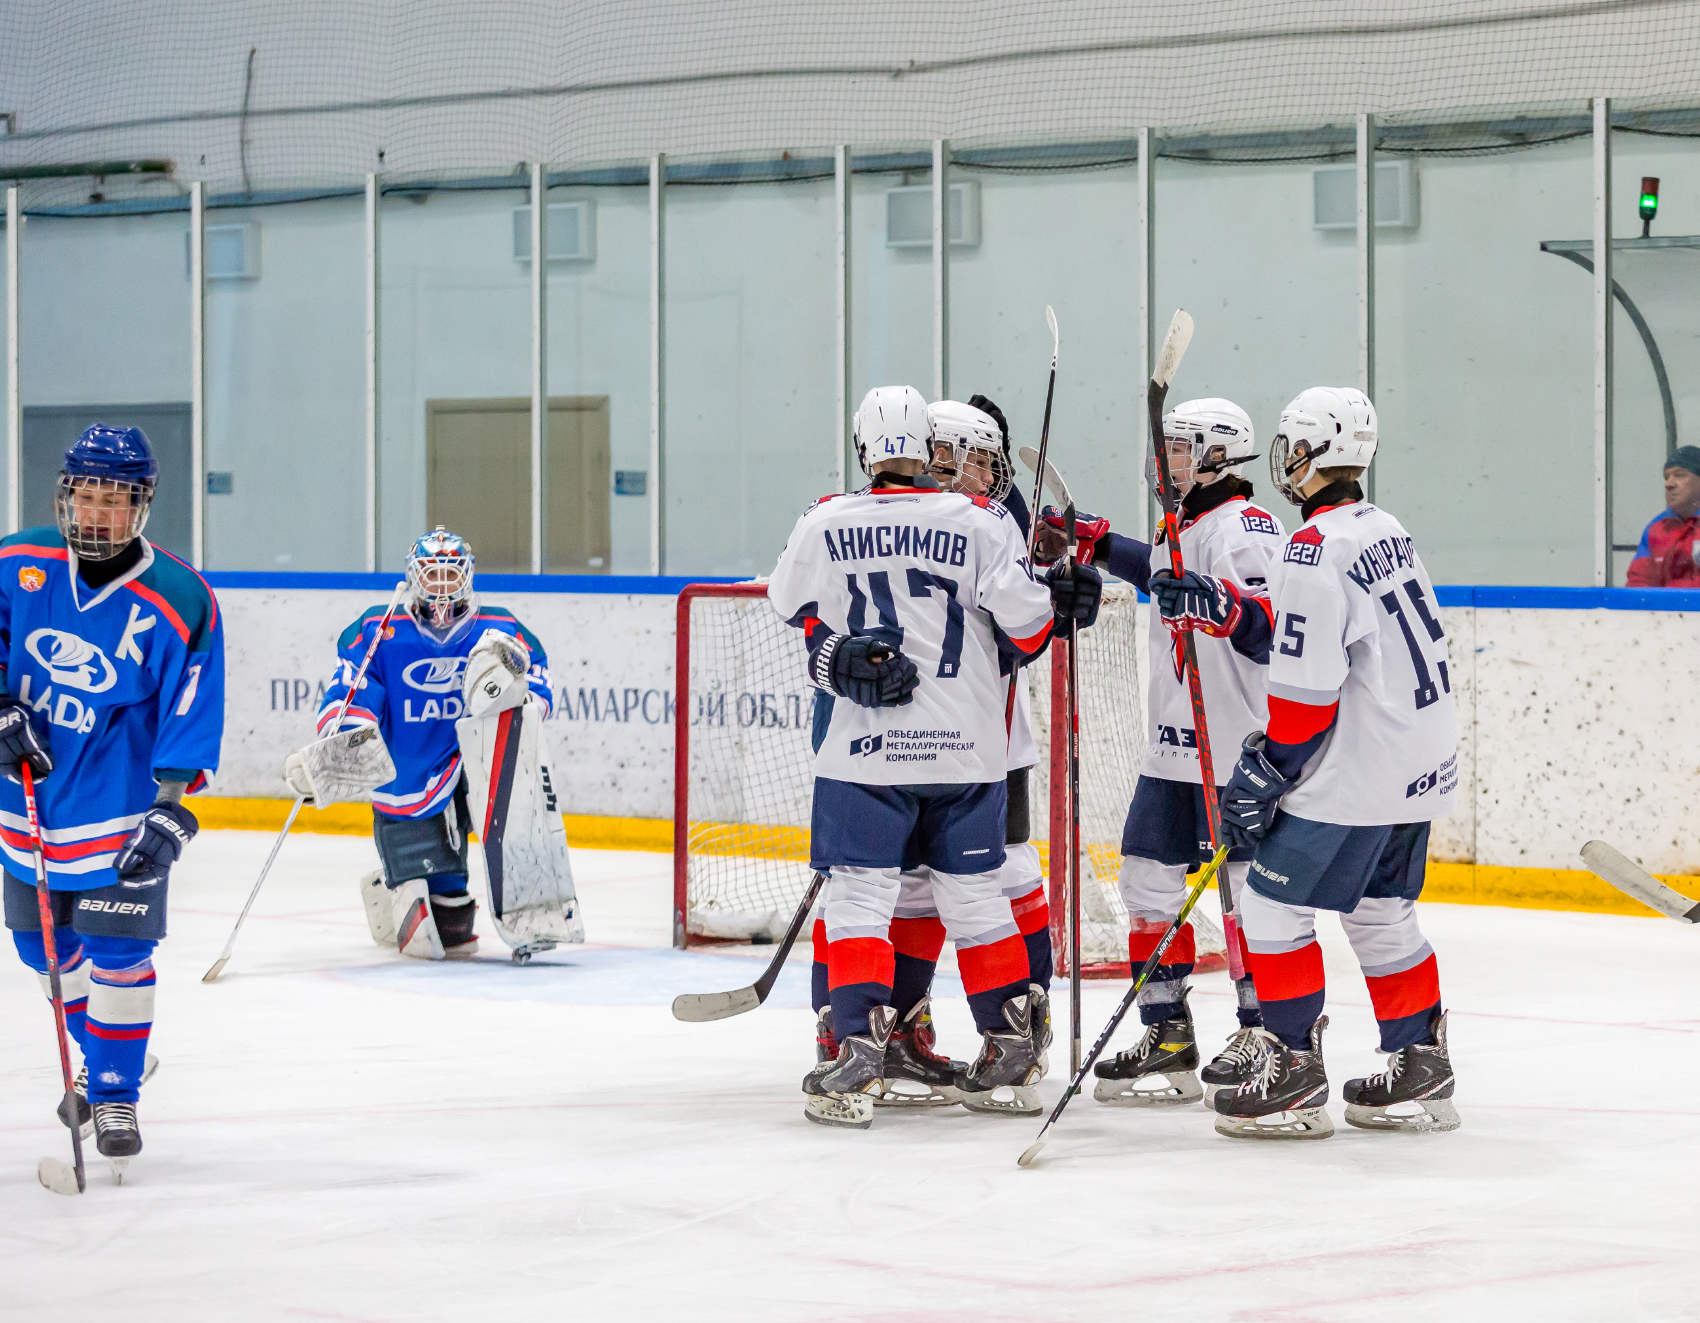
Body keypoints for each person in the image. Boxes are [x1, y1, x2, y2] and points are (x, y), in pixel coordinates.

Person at [770, 384, 1101, 1129]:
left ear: (863, 446)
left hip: (865, 754)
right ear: (929, 448)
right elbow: (1027, 631)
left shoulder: (825, 517)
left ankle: (856, 1046)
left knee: (859, 899)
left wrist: (832, 651)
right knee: (976, 896)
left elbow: (789, 603)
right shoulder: (981, 523)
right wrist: (1056, 599)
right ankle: (1009, 1046)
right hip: (967, 754)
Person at [1211, 386, 1459, 1140]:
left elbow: (1306, 697)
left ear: (1308, 454)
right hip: (1419, 762)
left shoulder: (1312, 548)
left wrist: (1267, 769)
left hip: (1360, 771)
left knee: (1269, 906)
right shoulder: (1387, 527)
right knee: (1381, 911)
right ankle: (1421, 1060)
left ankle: (1291, 1068)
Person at [1033, 399, 1282, 1107]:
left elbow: (1272, 628)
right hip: (1172, 747)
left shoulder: (1246, 528)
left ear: (1215, 456)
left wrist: (1219, 605)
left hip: (1236, 750)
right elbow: (1164, 574)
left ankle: (1264, 1030)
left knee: (1248, 895)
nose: (1160, 460)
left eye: (1177, 448)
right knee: (1144, 880)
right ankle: (1167, 1032)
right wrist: (1097, 543)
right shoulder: (1184, 522)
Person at [0, 424, 224, 1170]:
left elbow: (193, 704)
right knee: (43, 953)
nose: (97, 513)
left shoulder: (182, 598)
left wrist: (171, 802)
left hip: (122, 809)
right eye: (86, 496)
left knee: (119, 956)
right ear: (66, 496)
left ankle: (116, 1090)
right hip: (28, 804)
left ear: (142, 505)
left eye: (115, 499)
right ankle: (108, 1054)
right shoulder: (19, 563)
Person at [291, 527, 552, 960]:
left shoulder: (500, 629)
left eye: (451, 573)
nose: (442, 584)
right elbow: (352, 692)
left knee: (510, 820)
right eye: (432, 573)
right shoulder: (378, 628)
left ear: (468, 574)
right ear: (414, 576)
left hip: (475, 761)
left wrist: (519, 700)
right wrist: (337, 747)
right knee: (451, 926)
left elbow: (537, 686)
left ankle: (531, 901)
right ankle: (396, 884)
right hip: (409, 764)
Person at [1626, 446, 1700, 587]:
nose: (1669, 484)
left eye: (1680, 475)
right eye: (1666, 477)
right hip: (1665, 603)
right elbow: (1639, 585)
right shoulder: (1656, 528)